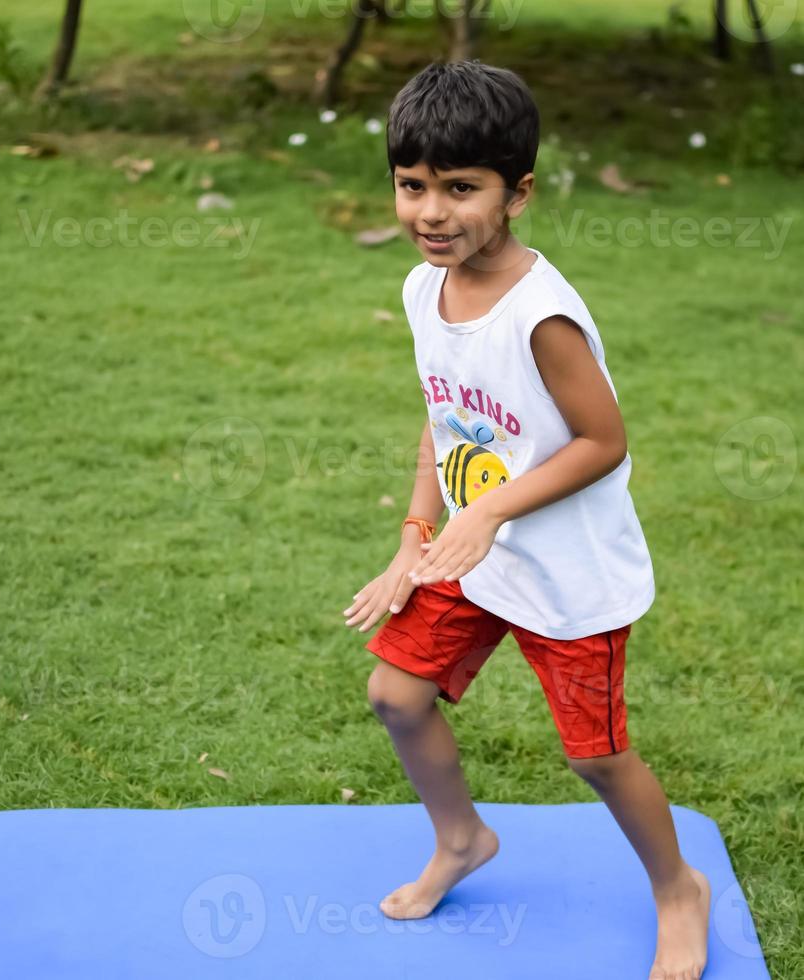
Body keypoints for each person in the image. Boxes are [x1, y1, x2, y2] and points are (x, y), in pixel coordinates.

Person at [342, 60, 710, 980]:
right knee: (396, 694)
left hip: (568, 572)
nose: (431, 211)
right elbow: (443, 412)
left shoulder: (542, 315)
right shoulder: (425, 288)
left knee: (597, 757)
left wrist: (491, 511)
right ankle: (462, 838)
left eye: (461, 189)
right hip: (476, 555)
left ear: (518, 194)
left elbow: (603, 440)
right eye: (412, 185)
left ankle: (677, 890)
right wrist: (415, 539)